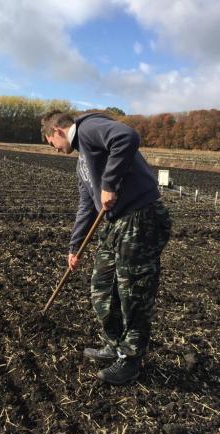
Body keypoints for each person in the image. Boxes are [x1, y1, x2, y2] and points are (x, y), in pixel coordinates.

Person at [41, 110, 171, 385]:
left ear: (57, 131)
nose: (53, 148)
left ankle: (131, 359)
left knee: (133, 291)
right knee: (101, 286)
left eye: (50, 142)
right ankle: (113, 343)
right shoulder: (82, 162)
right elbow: (87, 206)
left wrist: (109, 183)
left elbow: (126, 136)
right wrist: (74, 246)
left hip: (140, 217)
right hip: (114, 225)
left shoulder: (88, 129)